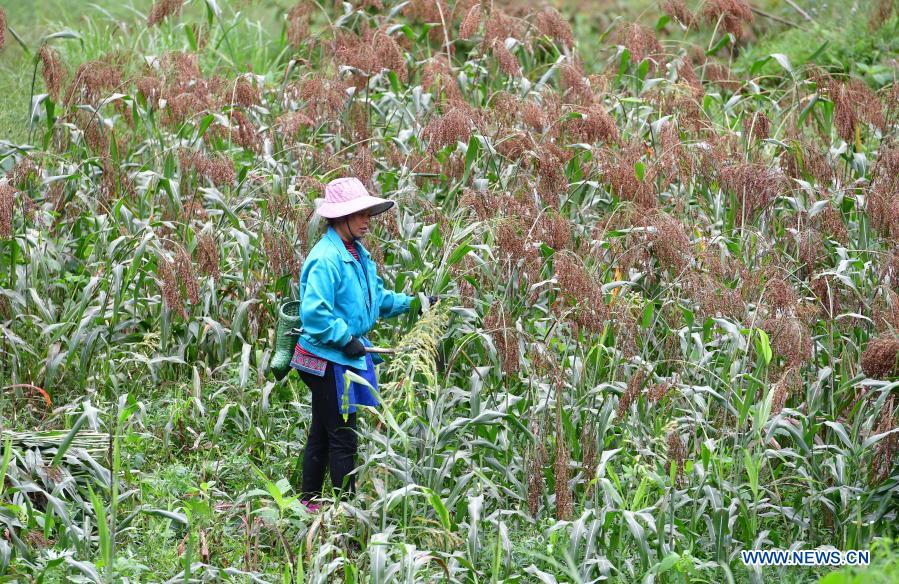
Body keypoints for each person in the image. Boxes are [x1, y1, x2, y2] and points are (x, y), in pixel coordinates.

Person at [289, 177, 435, 511]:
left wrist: (416, 303)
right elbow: (314, 315)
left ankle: (308, 501)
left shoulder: (356, 253)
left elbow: (377, 299)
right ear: (340, 217)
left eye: (368, 213)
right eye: (360, 214)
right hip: (324, 359)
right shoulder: (326, 259)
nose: (367, 220)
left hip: (341, 356)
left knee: (324, 432)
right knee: (343, 437)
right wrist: (345, 338)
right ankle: (345, 512)